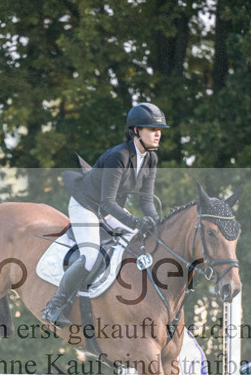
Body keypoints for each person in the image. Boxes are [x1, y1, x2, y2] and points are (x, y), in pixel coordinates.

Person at [42, 102, 169, 325]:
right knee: (91, 255)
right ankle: (54, 306)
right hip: (87, 206)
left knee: (141, 241)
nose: (158, 134)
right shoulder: (119, 156)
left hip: (109, 210)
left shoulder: (151, 159)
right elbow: (107, 202)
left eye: (159, 130)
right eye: (152, 129)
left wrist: (156, 223)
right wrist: (136, 221)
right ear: (136, 131)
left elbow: (146, 200)